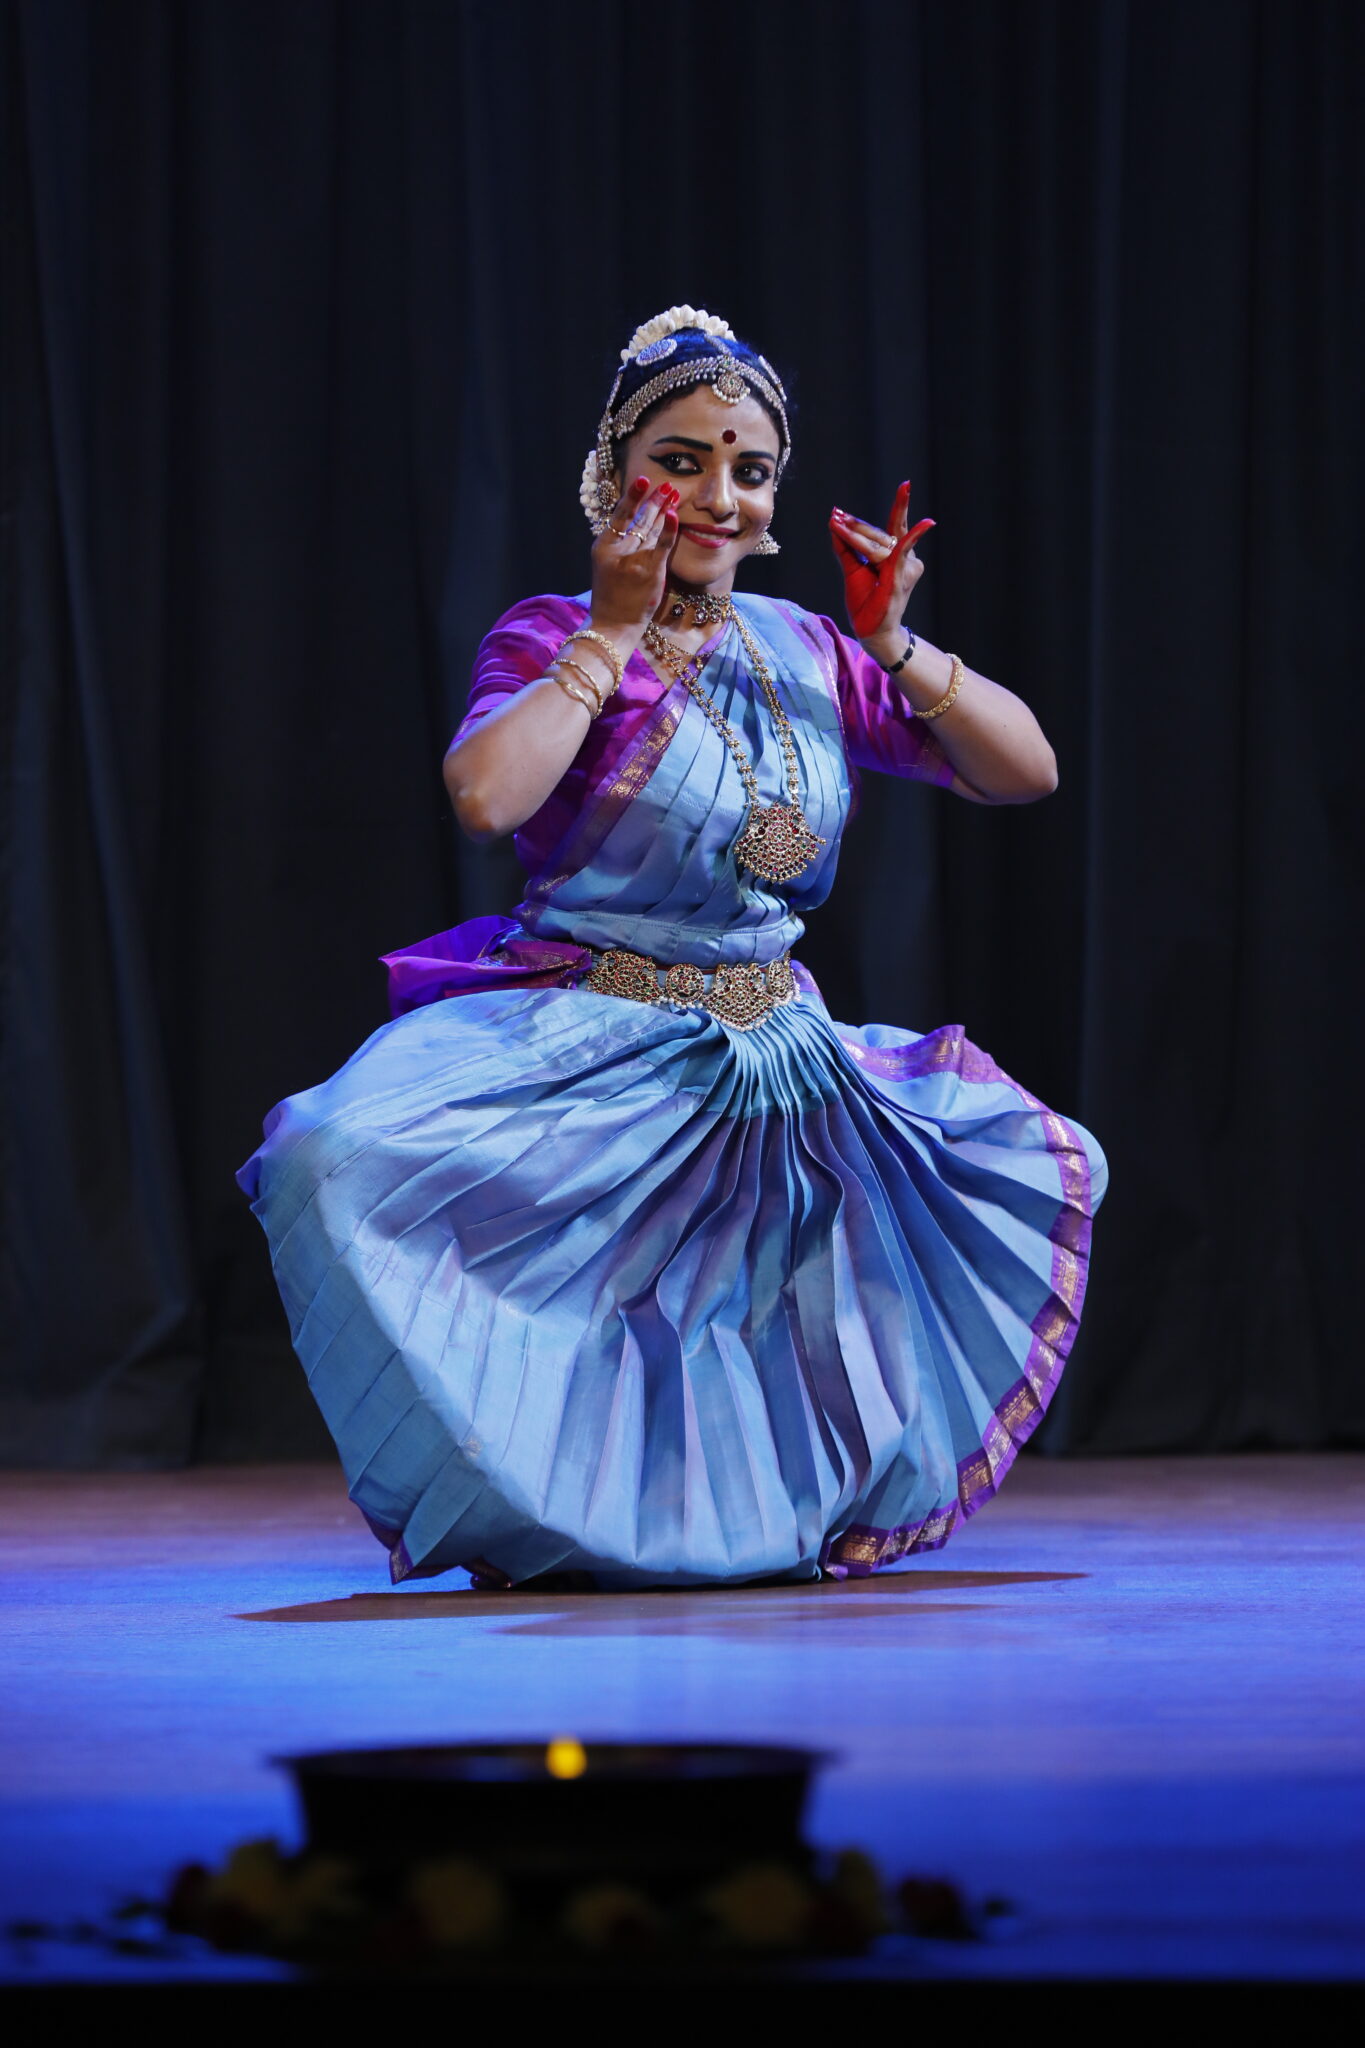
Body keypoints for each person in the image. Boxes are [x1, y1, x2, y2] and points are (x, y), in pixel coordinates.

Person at [238, 304, 1106, 1591]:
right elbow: (485, 797)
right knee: (331, 1153)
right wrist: (607, 632)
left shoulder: (813, 650)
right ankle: (559, 1524)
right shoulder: (552, 632)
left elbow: (1025, 769)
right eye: (683, 459)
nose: (719, 495)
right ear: (617, 475)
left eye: (749, 470)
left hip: (778, 1066)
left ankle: (740, 1539)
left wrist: (891, 643)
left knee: (990, 1187)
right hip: (587, 1037)